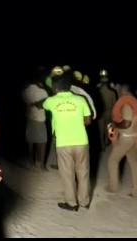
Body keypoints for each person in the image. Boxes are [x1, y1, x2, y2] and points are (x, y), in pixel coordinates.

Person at [39, 75, 92, 211]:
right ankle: (84, 202)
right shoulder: (80, 99)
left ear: (55, 88)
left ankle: (72, 203)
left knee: (67, 174)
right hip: (81, 141)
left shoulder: (51, 101)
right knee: (83, 172)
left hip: (63, 142)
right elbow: (88, 121)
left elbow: (42, 105)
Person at [106, 83, 137, 198]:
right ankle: (136, 193)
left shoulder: (127, 104)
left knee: (112, 161)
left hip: (127, 138)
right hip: (136, 137)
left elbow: (126, 123)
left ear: (122, 91)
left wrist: (114, 124)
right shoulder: (136, 103)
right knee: (135, 164)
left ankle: (113, 187)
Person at [22, 73, 49, 170]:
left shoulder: (25, 92)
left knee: (30, 141)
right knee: (43, 142)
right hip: (40, 119)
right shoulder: (43, 92)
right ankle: (42, 165)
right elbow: (45, 105)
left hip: (30, 118)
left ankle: (31, 163)